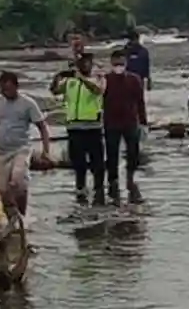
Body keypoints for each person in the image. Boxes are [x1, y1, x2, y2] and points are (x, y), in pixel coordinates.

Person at [0, 72, 49, 220]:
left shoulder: (28, 103)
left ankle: (22, 215)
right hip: (1, 151)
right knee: (3, 190)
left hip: (21, 149)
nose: (5, 92)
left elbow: (42, 126)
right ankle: (12, 219)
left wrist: (46, 150)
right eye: (2, 89)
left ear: (16, 87)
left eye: (8, 89)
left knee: (17, 181)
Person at [55, 52, 106, 204]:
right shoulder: (70, 81)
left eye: (87, 62)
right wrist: (59, 76)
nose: (84, 65)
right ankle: (80, 188)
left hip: (92, 126)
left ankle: (99, 188)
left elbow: (98, 90)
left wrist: (82, 79)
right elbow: (55, 90)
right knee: (78, 162)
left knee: (97, 161)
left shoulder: (98, 79)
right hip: (74, 126)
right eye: (81, 62)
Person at [102, 49, 147, 205]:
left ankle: (130, 179)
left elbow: (140, 102)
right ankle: (113, 182)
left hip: (130, 122)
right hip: (111, 123)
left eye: (121, 63)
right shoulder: (105, 80)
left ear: (126, 63)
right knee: (112, 154)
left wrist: (144, 122)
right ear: (111, 63)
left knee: (133, 153)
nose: (119, 66)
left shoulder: (134, 80)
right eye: (116, 63)